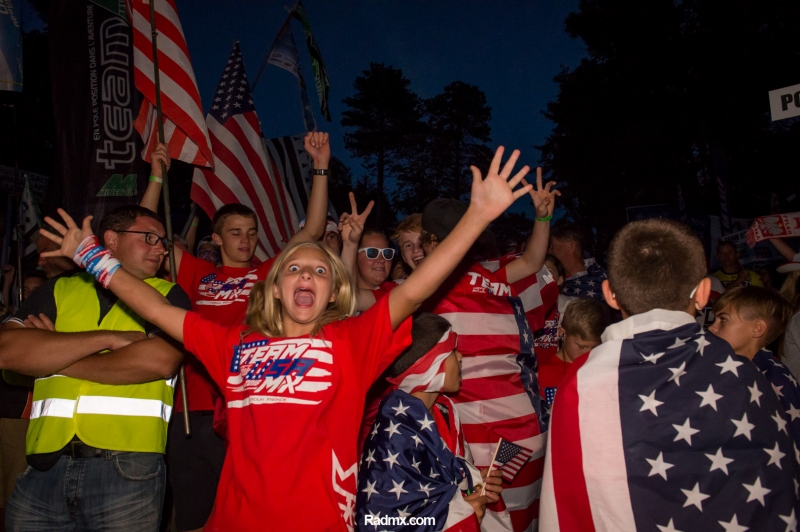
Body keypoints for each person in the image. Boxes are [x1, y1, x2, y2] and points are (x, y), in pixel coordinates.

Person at [39, 145, 534, 531]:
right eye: (294, 267)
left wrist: (477, 217)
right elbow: (153, 306)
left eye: (320, 270)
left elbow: (415, 290)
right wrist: (92, 257)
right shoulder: (233, 346)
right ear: (274, 287)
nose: (306, 274)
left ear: (333, 291)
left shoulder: (351, 343)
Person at [540, 218, 799, 531]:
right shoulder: (749, 377)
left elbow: (566, 511)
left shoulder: (583, 386)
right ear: (704, 292)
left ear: (609, 294)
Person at [140, 134, 331, 532]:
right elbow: (143, 235)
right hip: (189, 410)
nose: (246, 241)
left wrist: (319, 166)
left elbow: (312, 230)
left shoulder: (267, 274)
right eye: (235, 232)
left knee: (243, 514)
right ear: (216, 237)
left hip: (243, 409)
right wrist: (157, 176)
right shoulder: (196, 272)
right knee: (192, 516)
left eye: (251, 232)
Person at [0, 205, 191, 532]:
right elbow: (8, 352)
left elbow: (160, 361)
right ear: (112, 240)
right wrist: (108, 338)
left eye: (162, 241)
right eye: (149, 237)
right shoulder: (59, 288)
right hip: (43, 468)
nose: (161, 248)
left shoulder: (168, 295)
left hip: (127, 468)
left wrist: (53, 355)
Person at [419, 166, 559, 531]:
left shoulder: (484, 274)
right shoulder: (425, 286)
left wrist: (542, 217)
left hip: (505, 435)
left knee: (504, 515)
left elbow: (532, 262)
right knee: (495, 515)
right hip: (487, 434)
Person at [356, 314, 503, 530]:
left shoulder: (444, 410)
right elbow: (378, 522)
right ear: (431, 366)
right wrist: (460, 516)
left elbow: (441, 483)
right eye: (452, 351)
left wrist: (476, 482)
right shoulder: (393, 436)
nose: (460, 356)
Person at [709, 286, 799, 443]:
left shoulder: (774, 379)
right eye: (714, 319)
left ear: (757, 329)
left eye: (723, 319)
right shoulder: (709, 365)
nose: (711, 327)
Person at [538, 298, 607, 406]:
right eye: (581, 346)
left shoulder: (604, 370)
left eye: (595, 347)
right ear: (563, 333)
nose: (588, 354)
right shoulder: (542, 374)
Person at [548, 222, 607, 302]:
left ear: (569, 246)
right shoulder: (550, 279)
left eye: (552, 247)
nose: (549, 252)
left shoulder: (601, 277)